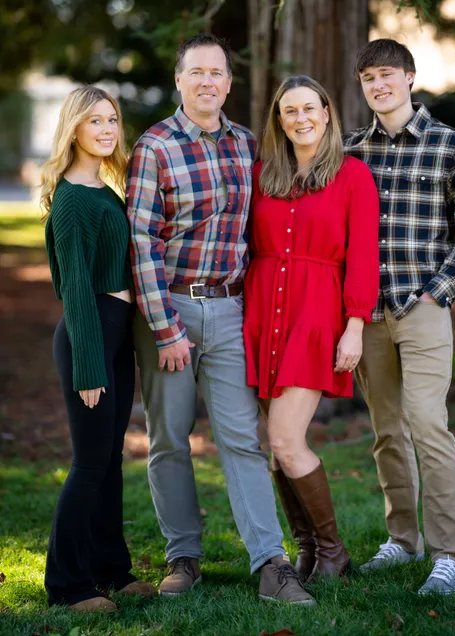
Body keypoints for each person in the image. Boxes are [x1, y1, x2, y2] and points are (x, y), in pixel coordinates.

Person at [126, 34, 314, 605]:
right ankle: (183, 557)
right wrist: (165, 329)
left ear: (229, 83)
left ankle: (271, 563)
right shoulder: (153, 147)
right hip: (171, 309)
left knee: (243, 440)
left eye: (218, 73)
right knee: (169, 441)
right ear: (179, 81)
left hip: (231, 308)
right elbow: (141, 243)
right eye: (196, 72)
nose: (208, 81)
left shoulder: (248, 145)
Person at [344, 38, 455, 596]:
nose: (377, 85)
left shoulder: (450, 146)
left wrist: (439, 291)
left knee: (428, 425)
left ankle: (450, 554)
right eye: (367, 78)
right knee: (387, 431)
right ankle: (403, 540)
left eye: (386, 74)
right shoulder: (350, 150)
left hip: (425, 306)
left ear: (409, 77)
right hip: (368, 314)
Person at [243, 75, 380, 583]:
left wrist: (355, 326)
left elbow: (364, 257)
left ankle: (332, 550)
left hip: (316, 317)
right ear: (279, 121)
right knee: (275, 443)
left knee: (284, 436)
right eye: (289, 111)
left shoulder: (352, 176)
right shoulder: (264, 174)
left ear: (327, 113)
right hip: (261, 315)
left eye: (309, 109)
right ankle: (307, 551)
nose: (300, 119)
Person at [41, 86, 156, 612]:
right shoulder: (72, 200)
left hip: (115, 330)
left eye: (112, 120)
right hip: (90, 334)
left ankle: (111, 569)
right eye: (95, 122)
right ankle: (67, 586)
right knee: (89, 463)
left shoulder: (104, 188)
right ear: (74, 131)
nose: (108, 130)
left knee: (109, 459)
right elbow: (77, 295)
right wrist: (89, 366)